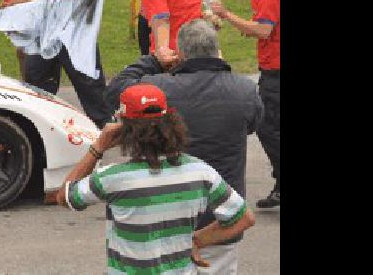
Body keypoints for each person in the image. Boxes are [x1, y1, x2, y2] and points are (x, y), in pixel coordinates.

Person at [104, 19, 263, 273]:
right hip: (220, 220)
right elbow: (252, 125)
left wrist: (153, 60)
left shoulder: (160, 88)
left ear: (181, 55)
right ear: (217, 50)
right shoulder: (245, 90)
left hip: (166, 219)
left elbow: (115, 91)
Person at [53, 83, 256, 273]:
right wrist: (196, 241)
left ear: (124, 130)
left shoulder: (113, 178)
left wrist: (98, 148)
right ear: (171, 123)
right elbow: (244, 218)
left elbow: (64, 196)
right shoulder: (201, 172)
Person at [209, 0, 280, 209]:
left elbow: (264, 29)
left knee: (266, 125)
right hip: (272, 67)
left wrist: (226, 15)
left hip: (275, 70)